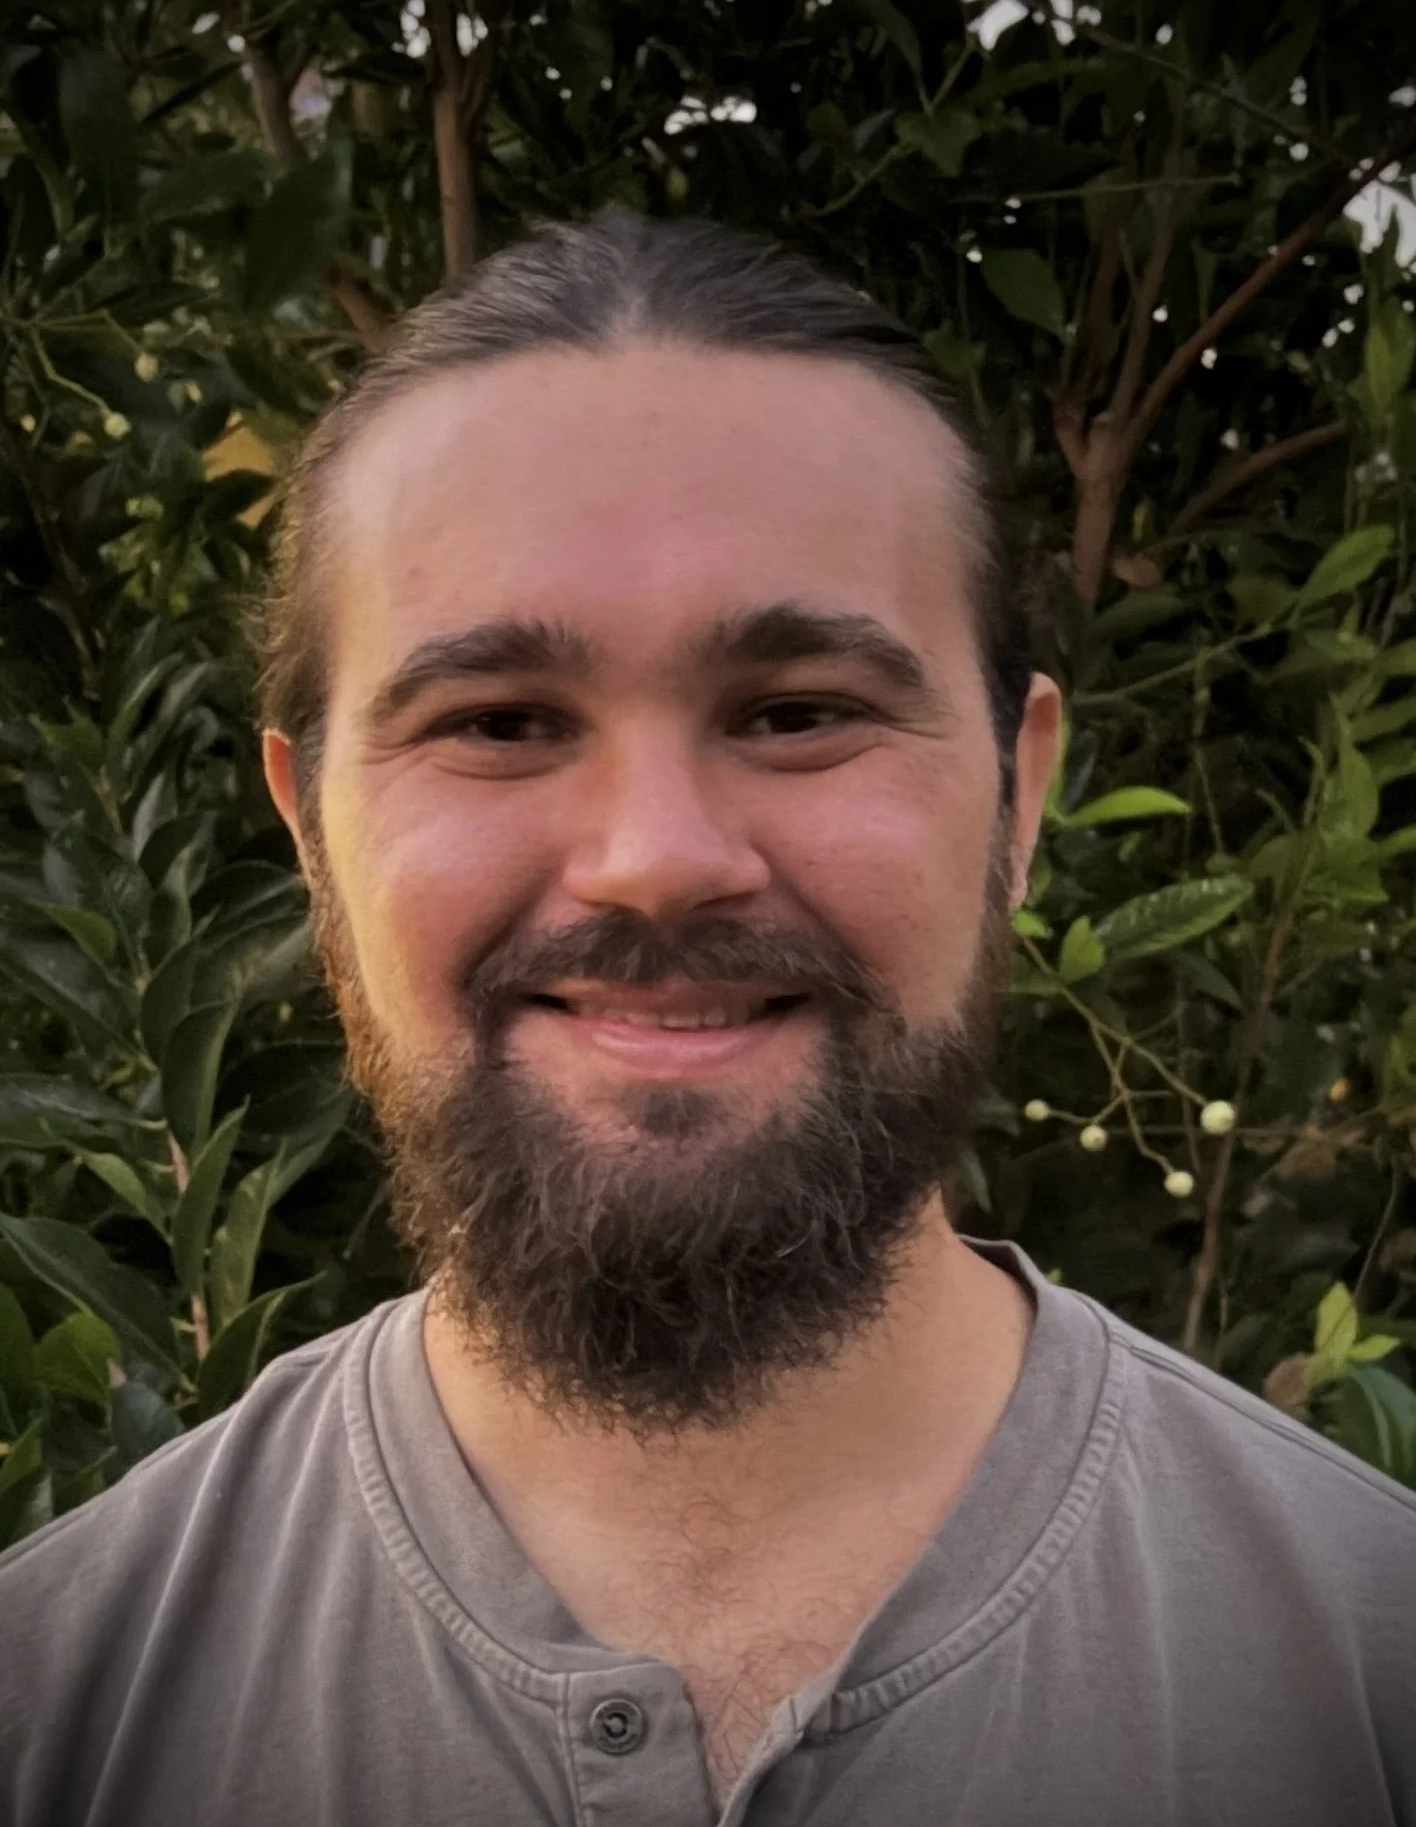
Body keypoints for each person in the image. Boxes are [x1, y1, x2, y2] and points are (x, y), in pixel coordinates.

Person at [1, 212, 1412, 1827]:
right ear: (311, 834)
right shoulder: (53, 1709)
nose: (657, 860)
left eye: (800, 713)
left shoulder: (1375, 1686)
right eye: (501, 722)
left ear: (1020, 796)